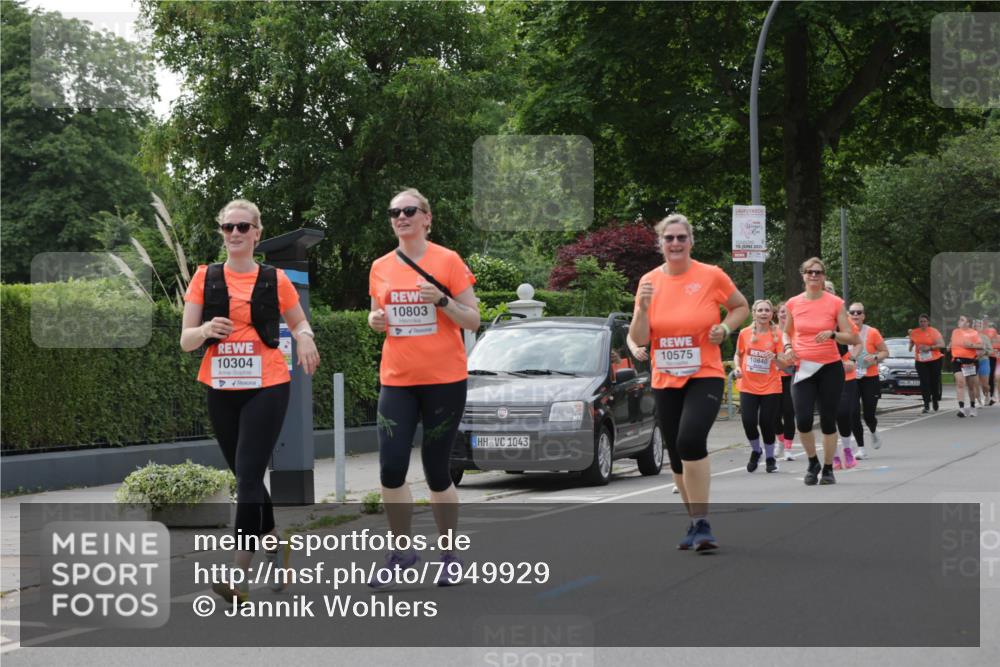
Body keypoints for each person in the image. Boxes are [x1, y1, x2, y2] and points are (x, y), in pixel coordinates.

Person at [180, 199, 320, 604]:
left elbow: (299, 322)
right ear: (221, 233)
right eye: (229, 227)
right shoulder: (205, 278)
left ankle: (238, 574)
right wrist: (206, 327)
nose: (236, 233)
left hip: (267, 385)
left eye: (244, 227)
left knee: (245, 476)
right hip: (221, 387)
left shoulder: (274, 279)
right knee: (250, 476)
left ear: (258, 233)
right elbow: (186, 341)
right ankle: (275, 544)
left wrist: (306, 338)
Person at [367, 188, 479, 587]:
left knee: (436, 470)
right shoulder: (380, 266)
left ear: (427, 218)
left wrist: (443, 301)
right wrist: (373, 321)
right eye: (394, 212)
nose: (401, 217)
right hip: (397, 380)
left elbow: (473, 319)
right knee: (391, 468)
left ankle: (449, 554)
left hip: (444, 382)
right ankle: (401, 551)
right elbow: (377, 312)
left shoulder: (447, 260)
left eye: (409, 211)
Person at [629, 214, 749, 551]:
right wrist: (642, 308)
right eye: (669, 238)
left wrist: (725, 328)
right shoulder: (649, 281)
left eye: (681, 238)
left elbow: (741, 307)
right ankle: (695, 523)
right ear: (661, 244)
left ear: (690, 242)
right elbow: (640, 336)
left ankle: (703, 522)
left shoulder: (711, 276)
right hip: (665, 377)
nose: (676, 244)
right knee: (678, 455)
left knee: (691, 439)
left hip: (704, 373)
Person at [779, 257, 860, 486]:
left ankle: (827, 468)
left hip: (830, 368)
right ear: (803, 275)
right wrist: (787, 347)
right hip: (804, 367)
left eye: (818, 272)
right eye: (810, 272)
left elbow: (852, 337)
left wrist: (833, 334)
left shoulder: (835, 303)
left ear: (824, 276)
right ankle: (812, 462)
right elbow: (786, 332)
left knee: (827, 421)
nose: (814, 276)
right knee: (803, 420)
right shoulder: (793, 303)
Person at [732, 300, 784, 473]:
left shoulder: (777, 334)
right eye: (760, 310)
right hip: (747, 384)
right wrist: (737, 367)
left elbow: (784, 363)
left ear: (771, 314)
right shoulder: (745, 333)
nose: (763, 313)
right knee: (748, 421)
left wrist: (774, 358)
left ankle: (770, 457)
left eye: (767, 310)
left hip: (770, 385)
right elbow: (738, 355)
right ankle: (756, 450)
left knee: (766, 422)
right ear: (753, 313)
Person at [847, 302, 888, 459]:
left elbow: (885, 351)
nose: (856, 315)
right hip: (850, 378)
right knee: (853, 413)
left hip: (870, 377)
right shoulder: (844, 333)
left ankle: (873, 430)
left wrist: (876, 357)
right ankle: (861, 449)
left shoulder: (872, 332)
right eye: (852, 312)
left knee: (869, 414)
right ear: (848, 315)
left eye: (859, 312)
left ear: (863, 315)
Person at [773, 301, 797, 461]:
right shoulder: (771, 331)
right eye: (781, 312)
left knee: (789, 413)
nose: (784, 314)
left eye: (786, 312)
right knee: (774, 415)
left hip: (790, 377)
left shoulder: (795, 332)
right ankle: (780, 440)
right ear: (777, 314)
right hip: (773, 378)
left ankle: (788, 448)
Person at [908, 314, 945, 414]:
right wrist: (910, 345)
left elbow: (942, 344)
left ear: (928, 322)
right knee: (924, 382)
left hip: (934, 360)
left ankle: (935, 399)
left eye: (924, 321)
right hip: (920, 361)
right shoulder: (915, 332)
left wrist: (930, 348)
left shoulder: (934, 331)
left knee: (934, 381)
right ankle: (926, 404)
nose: (923, 323)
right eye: (921, 321)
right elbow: (911, 342)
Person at [949, 315, 982, 418]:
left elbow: (981, 346)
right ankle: (961, 409)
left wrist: (971, 345)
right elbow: (952, 342)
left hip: (970, 362)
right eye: (959, 319)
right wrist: (949, 346)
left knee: (971, 386)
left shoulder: (974, 333)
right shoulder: (955, 332)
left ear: (968, 323)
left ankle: (972, 407)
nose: (959, 321)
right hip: (957, 360)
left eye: (962, 320)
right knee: (960, 383)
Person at [974, 318, 995, 406]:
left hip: (984, 361)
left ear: (981, 328)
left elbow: (991, 351)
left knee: (985, 384)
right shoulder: (968, 337)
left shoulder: (985, 338)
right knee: (975, 383)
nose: (977, 327)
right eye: (975, 326)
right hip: (972, 362)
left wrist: (984, 352)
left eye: (979, 326)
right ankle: (978, 400)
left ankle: (987, 395)